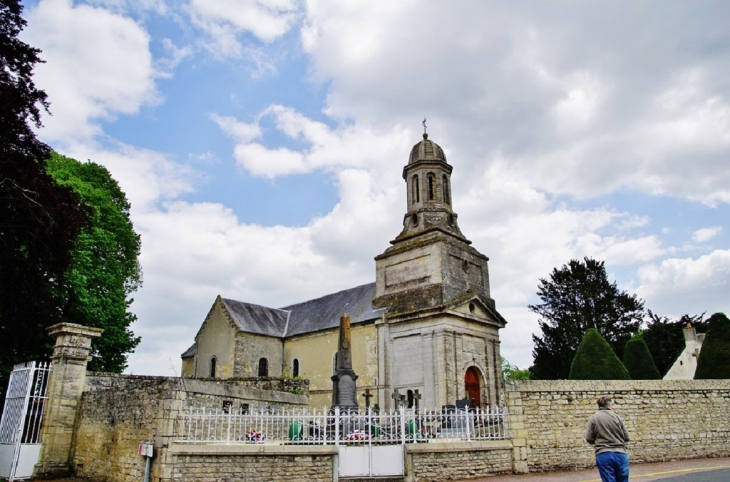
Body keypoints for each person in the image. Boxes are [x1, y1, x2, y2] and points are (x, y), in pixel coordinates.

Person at [585, 396, 630, 482]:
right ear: (609, 406)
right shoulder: (617, 417)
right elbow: (627, 437)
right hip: (621, 453)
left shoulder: (594, 418)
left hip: (603, 454)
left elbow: (589, 438)